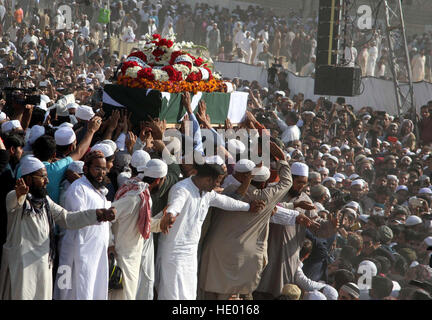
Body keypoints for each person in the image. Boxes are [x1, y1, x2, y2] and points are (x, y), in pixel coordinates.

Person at [0, 156, 116, 300]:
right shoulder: (19, 199)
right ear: (29, 179)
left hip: (43, 263)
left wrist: (98, 214)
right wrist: (19, 193)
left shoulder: (45, 201)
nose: (47, 181)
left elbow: (67, 218)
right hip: (23, 265)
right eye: (42, 177)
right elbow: (13, 202)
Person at [155, 161, 265, 300]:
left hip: (190, 252)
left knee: (188, 293)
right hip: (174, 252)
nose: (218, 186)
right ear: (208, 179)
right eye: (217, 181)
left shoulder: (207, 193)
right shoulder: (182, 189)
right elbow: (176, 203)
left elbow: (226, 202)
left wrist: (248, 207)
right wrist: (170, 214)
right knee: (172, 292)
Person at [54, 151, 113, 300]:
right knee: (69, 290)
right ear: (86, 169)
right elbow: (75, 219)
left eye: (104, 168)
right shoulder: (78, 189)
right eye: (97, 168)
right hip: (77, 250)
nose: (101, 173)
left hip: (95, 252)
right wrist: (100, 215)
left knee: (92, 289)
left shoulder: (98, 190)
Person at [109, 159, 169, 300]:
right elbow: (107, 216)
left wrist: (161, 222)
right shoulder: (135, 198)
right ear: (159, 180)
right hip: (122, 258)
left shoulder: (142, 196)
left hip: (132, 257)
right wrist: (110, 244)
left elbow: (142, 223)